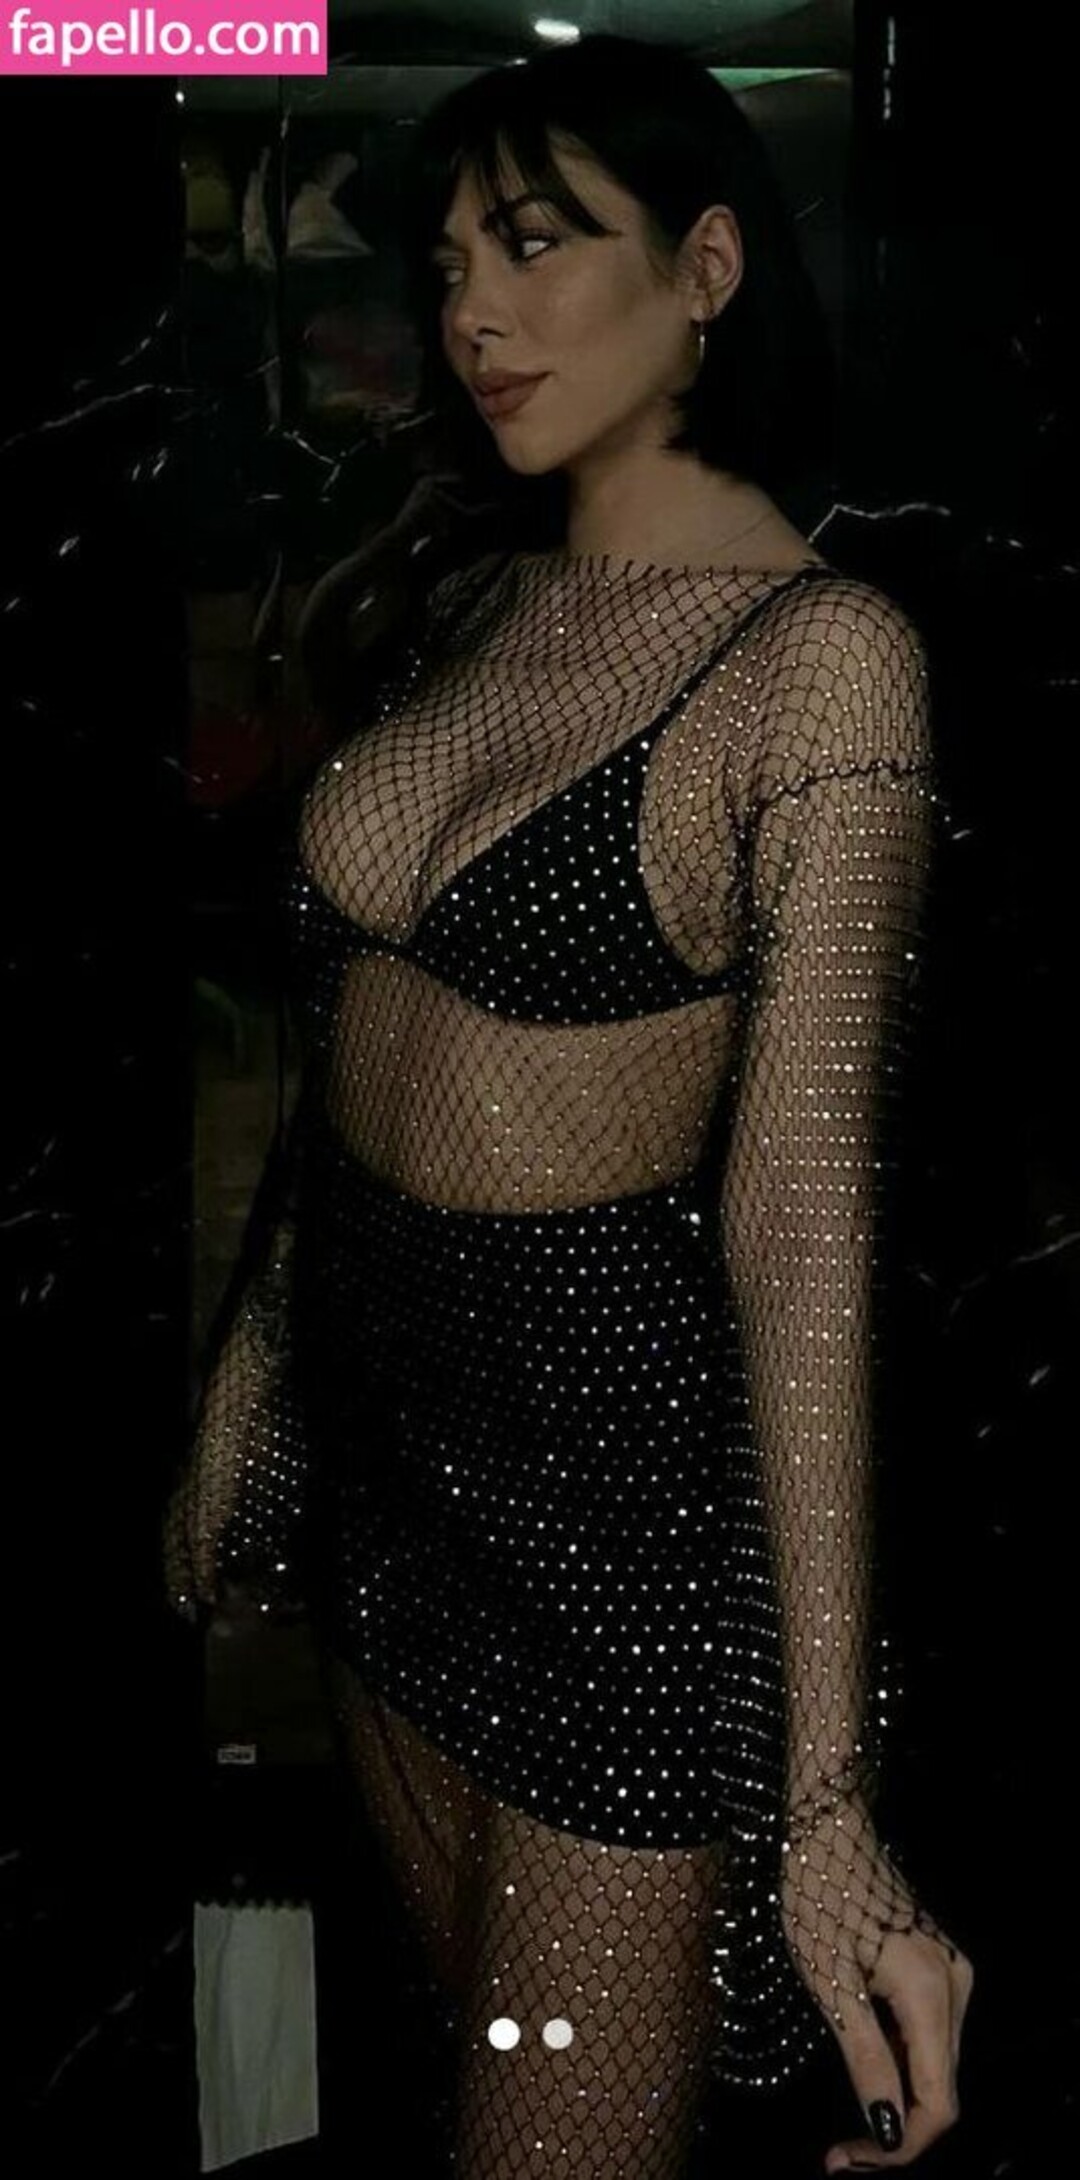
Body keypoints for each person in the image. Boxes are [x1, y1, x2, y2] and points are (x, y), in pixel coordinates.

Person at [165, 33, 972, 2177]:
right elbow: (346, 1056)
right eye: (448, 266)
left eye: (534, 246)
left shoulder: (821, 664)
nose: (473, 312)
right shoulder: (475, 596)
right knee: (457, 2080)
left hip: (621, 1572)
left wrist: (828, 1803)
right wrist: (254, 1372)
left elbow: (803, 1230)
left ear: (706, 266)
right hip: (391, 1504)